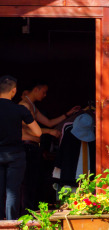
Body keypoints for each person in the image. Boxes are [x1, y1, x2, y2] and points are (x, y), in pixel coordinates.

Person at [19, 82, 79, 211]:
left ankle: (31, 209)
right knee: (27, 181)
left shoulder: (32, 106)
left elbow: (49, 122)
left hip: (34, 147)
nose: (45, 95)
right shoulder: (24, 105)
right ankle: (25, 211)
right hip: (27, 145)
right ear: (36, 89)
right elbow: (26, 127)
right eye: (43, 92)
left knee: (35, 180)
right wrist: (48, 131)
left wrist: (68, 114)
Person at [1, 76, 44, 220]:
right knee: (13, 191)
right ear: (13, 91)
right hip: (15, 155)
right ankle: (10, 226)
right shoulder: (20, 109)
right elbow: (38, 132)